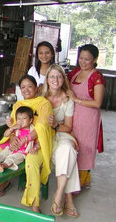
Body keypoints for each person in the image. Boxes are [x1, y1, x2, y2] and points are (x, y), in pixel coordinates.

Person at [0, 75, 54, 213]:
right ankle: (3, 181)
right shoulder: (18, 105)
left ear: (36, 88)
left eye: (30, 86)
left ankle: (35, 205)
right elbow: (13, 126)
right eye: (23, 87)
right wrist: (11, 138)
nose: (26, 90)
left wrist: (24, 140)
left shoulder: (44, 104)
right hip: (16, 141)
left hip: (36, 144)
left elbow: (41, 128)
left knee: (31, 163)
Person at [42, 64, 80, 218]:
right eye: (52, 76)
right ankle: (68, 198)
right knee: (70, 158)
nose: (55, 80)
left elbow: (68, 127)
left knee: (68, 150)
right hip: (44, 135)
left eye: (59, 76)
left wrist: (56, 125)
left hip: (60, 132)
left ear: (63, 79)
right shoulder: (41, 96)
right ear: (47, 79)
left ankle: (58, 194)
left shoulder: (67, 99)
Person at [67, 44, 105, 190]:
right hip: (73, 117)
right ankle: (76, 179)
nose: (83, 62)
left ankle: (81, 181)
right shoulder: (76, 72)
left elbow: (97, 103)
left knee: (85, 149)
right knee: (73, 146)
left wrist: (76, 100)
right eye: (81, 58)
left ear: (95, 59)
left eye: (87, 59)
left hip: (88, 119)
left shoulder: (97, 77)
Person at [0, 106, 38, 173]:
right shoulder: (16, 128)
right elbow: (6, 134)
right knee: (2, 153)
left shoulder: (32, 130)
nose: (21, 121)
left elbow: (37, 142)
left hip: (21, 153)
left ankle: (2, 166)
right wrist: (12, 128)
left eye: (24, 118)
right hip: (11, 148)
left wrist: (35, 149)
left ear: (30, 120)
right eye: (18, 119)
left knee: (11, 159)